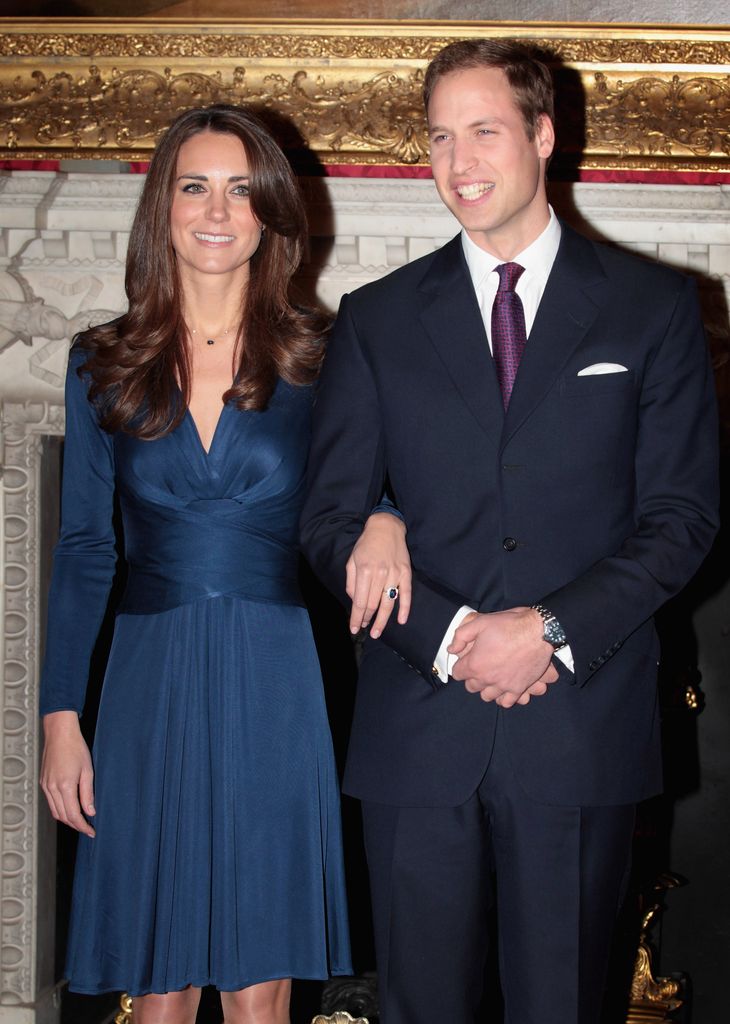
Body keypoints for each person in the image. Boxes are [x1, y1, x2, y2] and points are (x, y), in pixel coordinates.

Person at [300, 39, 720, 1024]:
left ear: (542, 135)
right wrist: (449, 634)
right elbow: (325, 520)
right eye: (439, 137)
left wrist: (550, 629)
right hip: (417, 731)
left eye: (482, 131)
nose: (458, 162)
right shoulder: (375, 319)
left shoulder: (653, 309)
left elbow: (682, 517)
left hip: (580, 727)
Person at [39, 104, 411, 1024]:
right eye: (194, 186)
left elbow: (386, 480)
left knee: (260, 985)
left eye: (241, 190)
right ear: (162, 209)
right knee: (156, 981)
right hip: (146, 680)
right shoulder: (101, 363)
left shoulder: (322, 357)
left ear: (271, 212)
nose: (217, 211)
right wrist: (59, 719)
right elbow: (85, 549)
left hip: (275, 678)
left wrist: (387, 517)